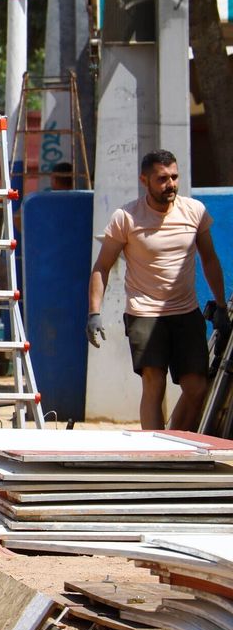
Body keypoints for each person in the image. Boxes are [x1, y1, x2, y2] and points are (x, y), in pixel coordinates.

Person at [88, 149, 226, 430]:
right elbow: (101, 266)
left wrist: (221, 305)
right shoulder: (126, 217)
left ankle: (177, 442)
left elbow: (210, 259)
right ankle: (154, 452)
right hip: (144, 312)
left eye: (174, 177)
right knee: (154, 381)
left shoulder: (194, 212)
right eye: (162, 179)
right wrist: (94, 313)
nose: (171, 184)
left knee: (196, 386)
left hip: (186, 311)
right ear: (145, 180)